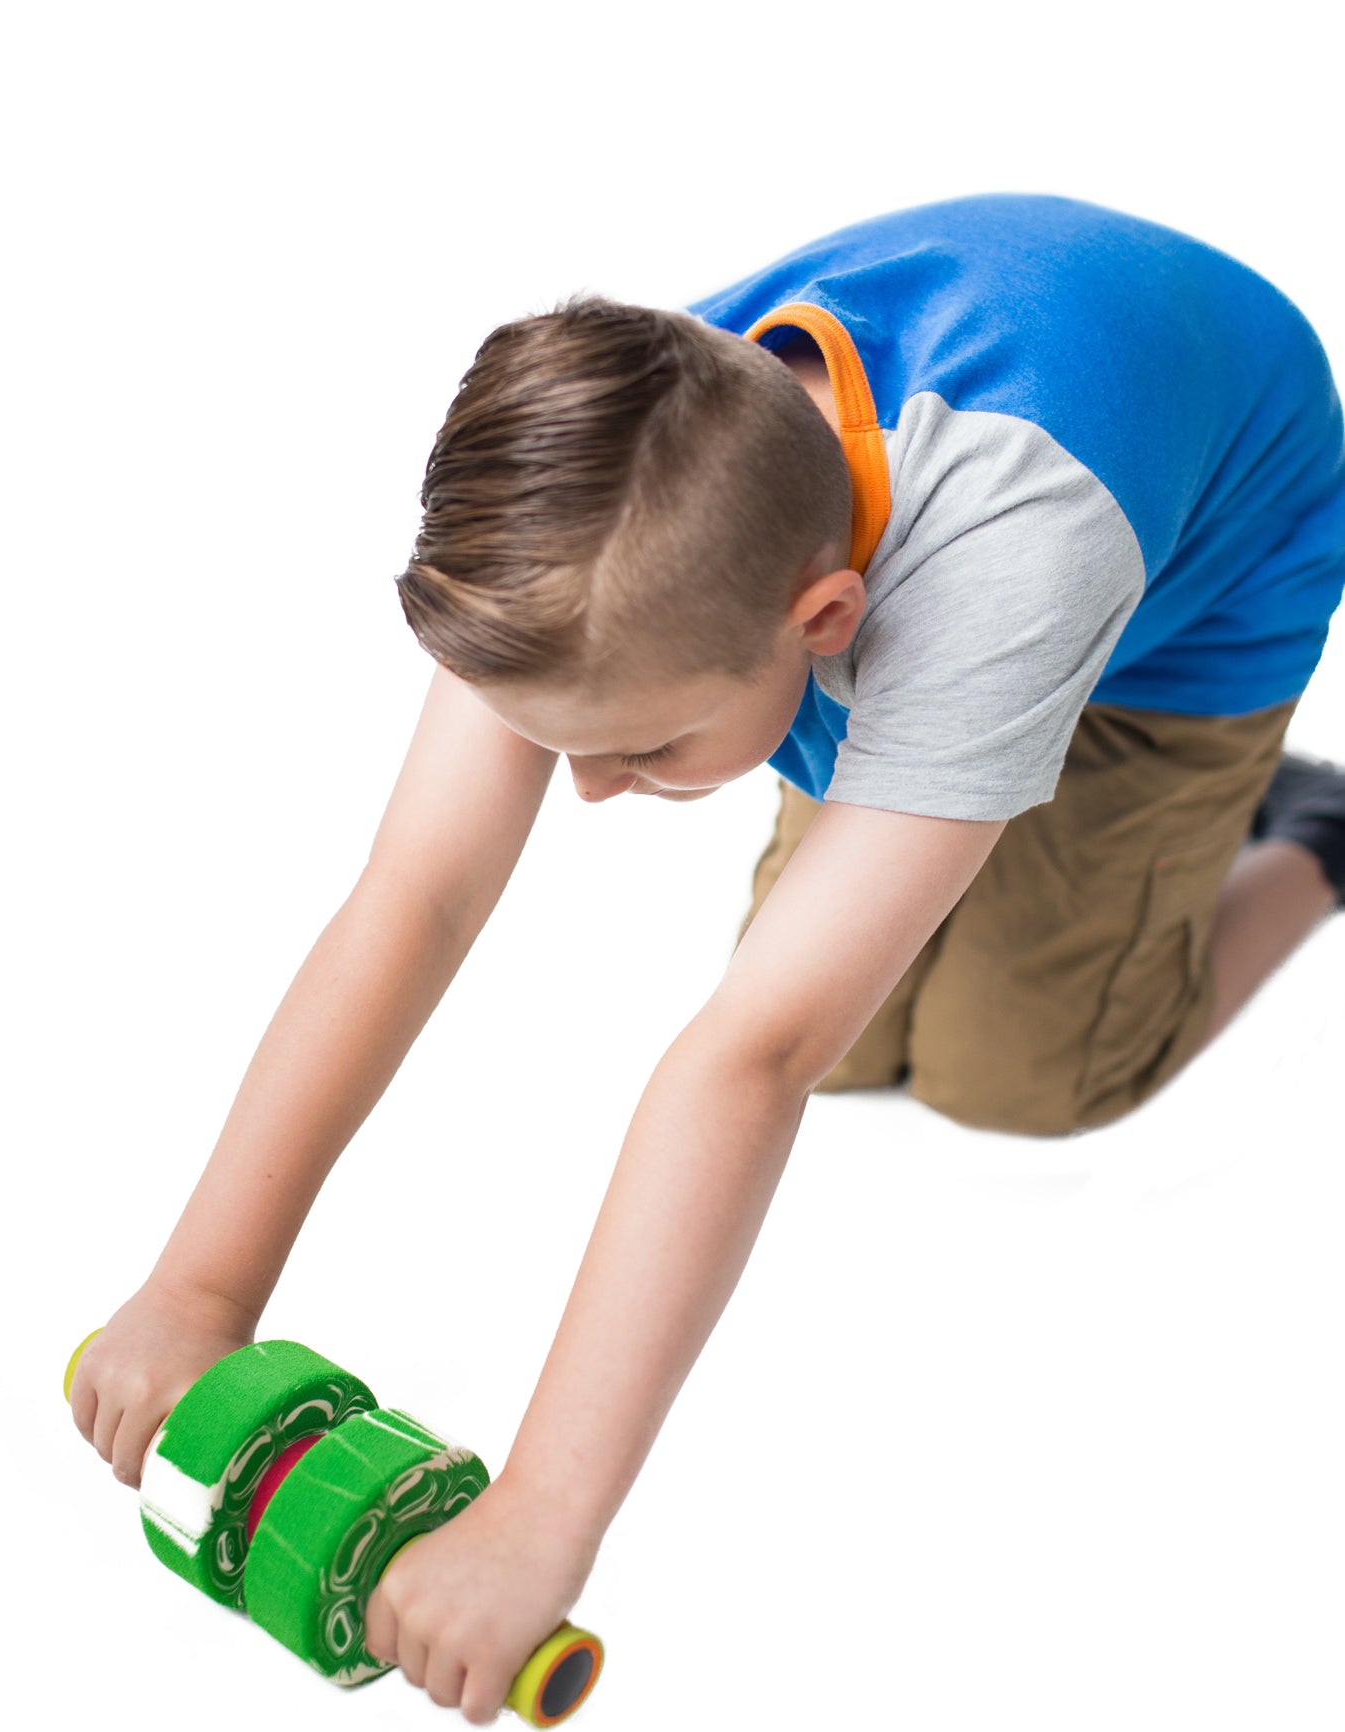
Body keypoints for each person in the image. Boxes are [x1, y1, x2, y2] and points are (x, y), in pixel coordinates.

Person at [68, 193, 1345, 1724]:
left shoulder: (1004, 553)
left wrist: (542, 1518)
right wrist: (202, 1287)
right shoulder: (588, 520)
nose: (593, 793)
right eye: (568, 749)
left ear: (823, 618)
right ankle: (962, 786)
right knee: (875, 1036)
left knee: (1029, 1079)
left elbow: (751, 1055)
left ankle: (1314, 831)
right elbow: (414, 895)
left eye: (640, 749)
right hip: (930, 575)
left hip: (1199, 591)